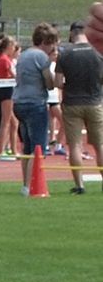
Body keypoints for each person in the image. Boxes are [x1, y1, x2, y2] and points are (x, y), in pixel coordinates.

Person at [54, 20, 100, 193]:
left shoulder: (65, 53)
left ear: (72, 34)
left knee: (74, 145)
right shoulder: (96, 53)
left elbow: (58, 82)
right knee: (99, 145)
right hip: (94, 102)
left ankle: (79, 185)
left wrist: (71, 85)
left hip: (72, 102)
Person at [11, 24, 56, 159]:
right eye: (51, 44)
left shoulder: (23, 55)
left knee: (27, 148)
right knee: (38, 150)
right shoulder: (42, 57)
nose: (52, 48)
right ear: (44, 42)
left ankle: (26, 180)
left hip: (19, 103)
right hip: (35, 104)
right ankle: (34, 180)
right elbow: (49, 83)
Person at [0, 35, 19, 159]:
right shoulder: (4, 59)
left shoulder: (3, 59)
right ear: (9, 47)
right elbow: (12, 75)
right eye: (13, 47)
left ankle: (13, 150)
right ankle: (1, 151)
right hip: (7, 90)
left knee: (14, 122)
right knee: (6, 121)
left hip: (6, 89)